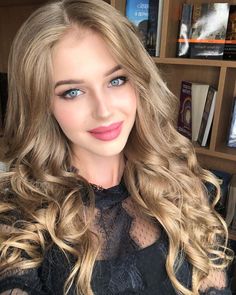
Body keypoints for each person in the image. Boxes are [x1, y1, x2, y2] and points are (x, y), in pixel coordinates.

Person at [0, 0, 233, 294]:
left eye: (116, 80)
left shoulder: (181, 179)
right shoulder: (21, 215)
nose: (104, 110)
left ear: (139, 81)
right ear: (42, 105)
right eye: (72, 92)